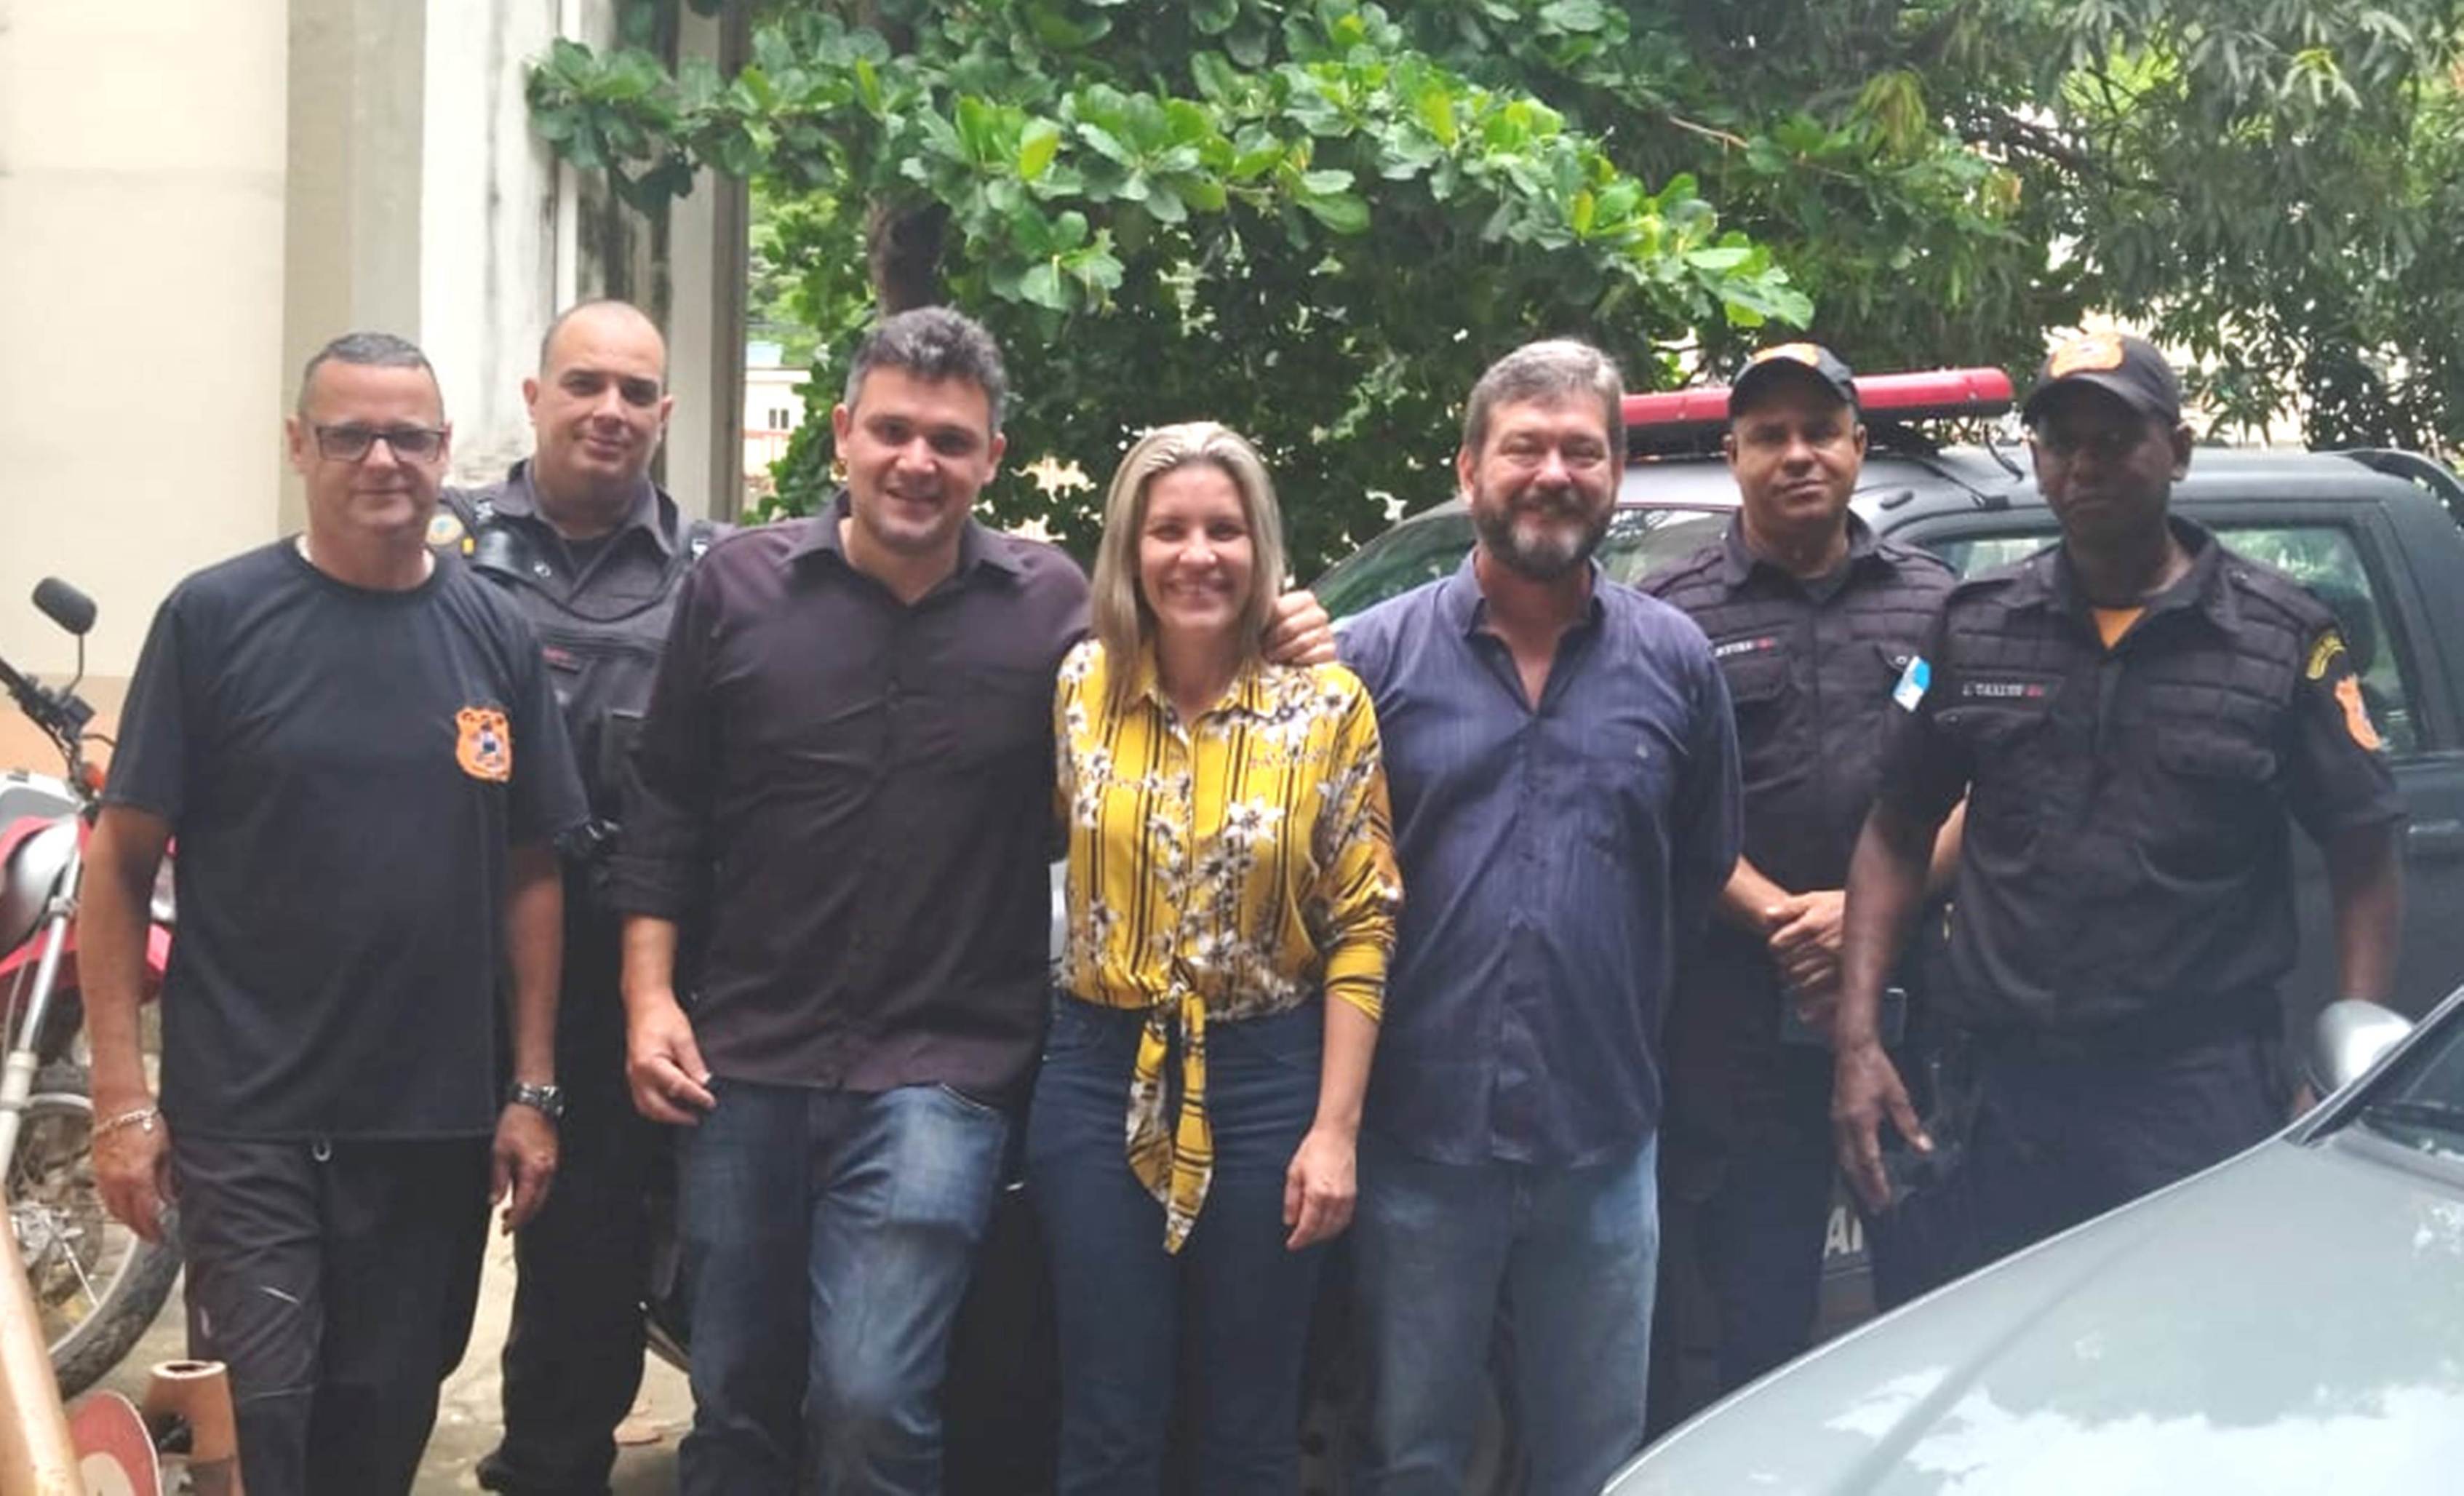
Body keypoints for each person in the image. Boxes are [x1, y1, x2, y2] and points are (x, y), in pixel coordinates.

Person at [607, 306, 1335, 1495]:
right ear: (842, 433)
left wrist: (1282, 629)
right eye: (892, 431)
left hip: (941, 1070)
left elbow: (1186, 684)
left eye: (950, 440)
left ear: (991, 457)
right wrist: (649, 1001)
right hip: (742, 1059)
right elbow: (667, 808)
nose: (918, 461)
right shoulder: (736, 588)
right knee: (736, 1397)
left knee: (873, 1398)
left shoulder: (1055, 612)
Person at [78, 331, 589, 1496]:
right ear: (298, 446)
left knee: (384, 1418)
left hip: (431, 1123)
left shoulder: (497, 635)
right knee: (261, 1422)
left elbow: (532, 872)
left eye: (409, 436)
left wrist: (533, 1087)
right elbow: (119, 865)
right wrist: (119, 1097)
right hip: (248, 1114)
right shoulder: (214, 620)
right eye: (350, 435)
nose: (382, 460)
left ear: (445, 451)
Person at [1832, 330, 2406, 1271]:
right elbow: (1895, 831)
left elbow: (2365, 847)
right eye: (2061, 443)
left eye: (2114, 439)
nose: (2084, 465)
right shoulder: (1976, 627)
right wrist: (1858, 1039)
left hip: (2195, 1095)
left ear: (2176, 451)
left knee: (2191, 1341)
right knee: (2001, 1346)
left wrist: (2354, 1063)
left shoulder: (2280, 637)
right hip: (2002, 1099)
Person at [1339, 338, 1742, 1495]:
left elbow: (1698, 866)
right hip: (1418, 1138)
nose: (1553, 474)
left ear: (1615, 472)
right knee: (1414, 1454)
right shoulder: (1370, 661)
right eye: (1525, 448)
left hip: (1602, 1140)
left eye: (1582, 451)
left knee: (1597, 1461)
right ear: (1469, 468)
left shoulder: (1676, 662)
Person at [1031, 421, 1400, 1494]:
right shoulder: (1082, 687)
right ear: (1130, 548)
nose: (1198, 555)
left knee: (1249, 1421)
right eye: (1170, 531)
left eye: (1225, 530)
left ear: (1261, 547)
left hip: (1268, 1081)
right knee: (1107, 1414)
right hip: (1099, 1072)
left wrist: (1334, 1132)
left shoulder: (1327, 706)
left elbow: (1365, 924)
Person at [1639, 343, 1960, 1407]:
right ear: (1733, 455)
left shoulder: (1937, 603)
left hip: (1912, 1015)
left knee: (1932, 1307)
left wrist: (1867, 912)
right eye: (1769, 436)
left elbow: (1985, 783)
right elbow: (1654, 802)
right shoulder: (1671, 615)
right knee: (1752, 1322)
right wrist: (1788, 919)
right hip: (1739, 1025)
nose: (1797, 454)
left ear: (1857, 447)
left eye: (1820, 431)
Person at [445, 300, 722, 1496]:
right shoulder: (441, 542)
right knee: (392, 1246)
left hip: (621, 962)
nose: (610, 410)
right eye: (584, 384)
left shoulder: (716, 573)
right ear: (535, 396)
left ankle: (548, 1469)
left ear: (665, 414)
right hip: (435, 956)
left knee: (589, 1248)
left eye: (635, 392)